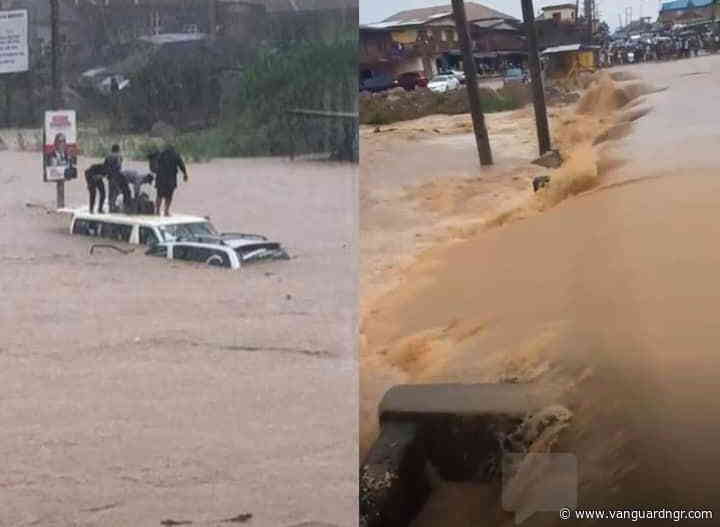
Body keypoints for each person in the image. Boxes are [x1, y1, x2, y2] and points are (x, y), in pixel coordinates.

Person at [155, 145, 188, 216]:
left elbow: (155, 165)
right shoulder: (175, 155)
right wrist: (185, 174)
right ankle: (166, 211)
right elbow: (181, 165)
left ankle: (157, 211)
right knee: (169, 196)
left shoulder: (161, 154)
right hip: (171, 179)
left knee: (159, 195)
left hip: (161, 178)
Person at [105, 144, 131, 213]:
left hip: (110, 176)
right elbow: (118, 165)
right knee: (117, 191)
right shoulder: (118, 156)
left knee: (111, 192)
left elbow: (105, 166)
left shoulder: (108, 156)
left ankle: (111, 207)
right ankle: (115, 206)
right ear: (118, 149)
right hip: (116, 176)